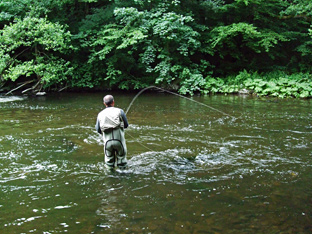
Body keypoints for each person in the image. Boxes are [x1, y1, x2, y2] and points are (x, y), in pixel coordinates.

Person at [95, 95, 129, 169]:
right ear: (113, 102)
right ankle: (122, 177)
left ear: (104, 103)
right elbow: (126, 125)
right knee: (122, 162)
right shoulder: (120, 111)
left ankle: (110, 177)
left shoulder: (100, 114)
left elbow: (98, 129)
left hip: (107, 143)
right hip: (119, 142)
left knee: (109, 163)